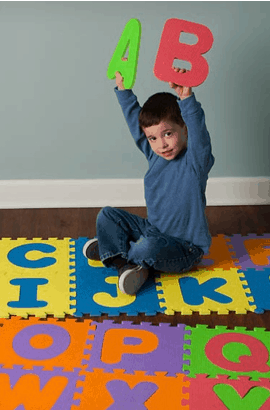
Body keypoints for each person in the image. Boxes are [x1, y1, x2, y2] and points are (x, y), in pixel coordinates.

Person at [83, 66, 215, 295]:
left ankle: (116, 252)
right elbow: (136, 123)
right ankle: (125, 259)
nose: (161, 144)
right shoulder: (155, 155)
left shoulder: (196, 162)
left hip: (185, 249)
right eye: (153, 138)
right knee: (107, 215)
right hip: (153, 230)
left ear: (184, 129)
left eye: (168, 134)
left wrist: (187, 98)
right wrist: (123, 89)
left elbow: (200, 135)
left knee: (147, 246)